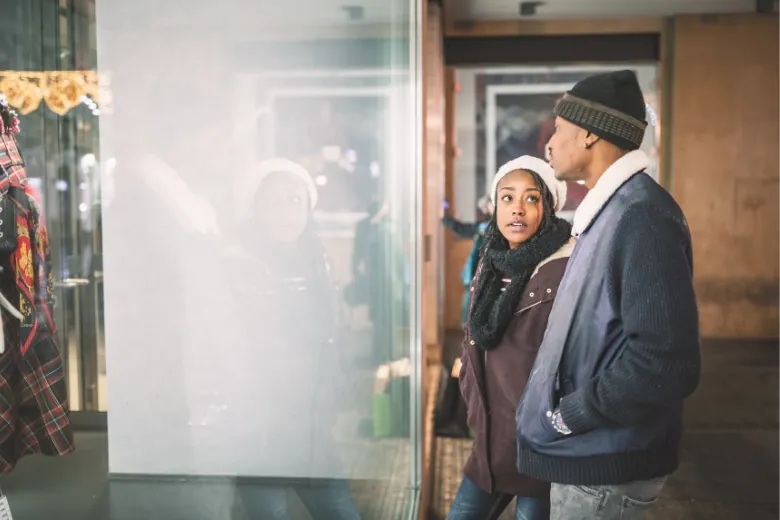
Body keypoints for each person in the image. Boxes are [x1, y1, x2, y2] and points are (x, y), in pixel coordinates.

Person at [515, 70, 701, 519]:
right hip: (589, 460)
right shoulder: (611, 211)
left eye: (560, 129)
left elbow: (666, 361)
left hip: (602, 472)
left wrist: (569, 415)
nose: (550, 143)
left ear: (590, 135)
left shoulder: (641, 217)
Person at [230, 158, 361, 520]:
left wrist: (339, 383)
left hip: (312, 434)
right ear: (255, 208)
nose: (287, 211)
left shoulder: (317, 261)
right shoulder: (239, 265)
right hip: (261, 437)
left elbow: (334, 334)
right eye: (274, 201)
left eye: (295, 200)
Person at [449, 156, 573, 520]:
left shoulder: (565, 268)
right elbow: (474, 338)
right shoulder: (491, 262)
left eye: (531, 199)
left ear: (548, 208)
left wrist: (557, 424)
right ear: (495, 205)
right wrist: (472, 400)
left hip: (539, 452)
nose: (517, 209)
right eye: (507, 198)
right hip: (490, 447)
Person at [442, 195, 494, 325]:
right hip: (478, 274)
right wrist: (447, 219)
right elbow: (463, 229)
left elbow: (463, 229)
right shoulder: (485, 226)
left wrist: (446, 219)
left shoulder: (489, 226)